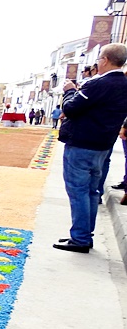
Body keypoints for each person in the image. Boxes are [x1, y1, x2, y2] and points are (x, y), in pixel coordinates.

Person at [54, 43, 127, 252]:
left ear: (104, 60)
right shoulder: (124, 84)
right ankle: (86, 234)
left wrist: (69, 92)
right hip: (103, 145)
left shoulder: (97, 84)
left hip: (82, 143)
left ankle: (80, 238)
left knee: (78, 191)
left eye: (98, 60)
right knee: (92, 192)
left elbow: (71, 108)